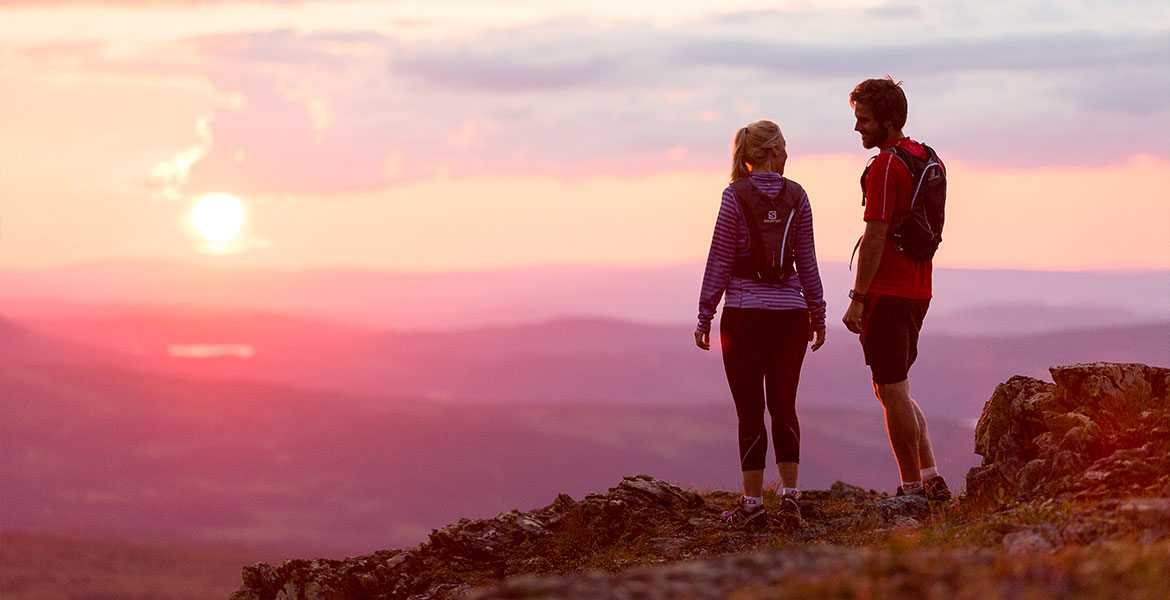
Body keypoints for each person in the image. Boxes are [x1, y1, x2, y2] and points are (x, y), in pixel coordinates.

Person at [695, 119, 827, 526]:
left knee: (750, 410)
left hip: (744, 316)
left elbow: (719, 259)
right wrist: (817, 312)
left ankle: (752, 505)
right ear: (771, 152)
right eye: (784, 147)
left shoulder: (733, 197)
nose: (787, 155)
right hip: (790, 316)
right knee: (784, 406)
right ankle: (790, 499)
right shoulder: (799, 196)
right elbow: (807, 261)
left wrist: (705, 313)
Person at [841, 77, 952, 502]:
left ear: (888, 120)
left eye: (864, 120)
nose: (858, 129)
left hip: (888, 291)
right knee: (896, 389)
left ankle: (911, 490)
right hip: (918, 288)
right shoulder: (924, 156)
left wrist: (857, 299)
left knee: (891, 390)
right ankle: (930, 478)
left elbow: (874, 237)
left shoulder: (886, 165)